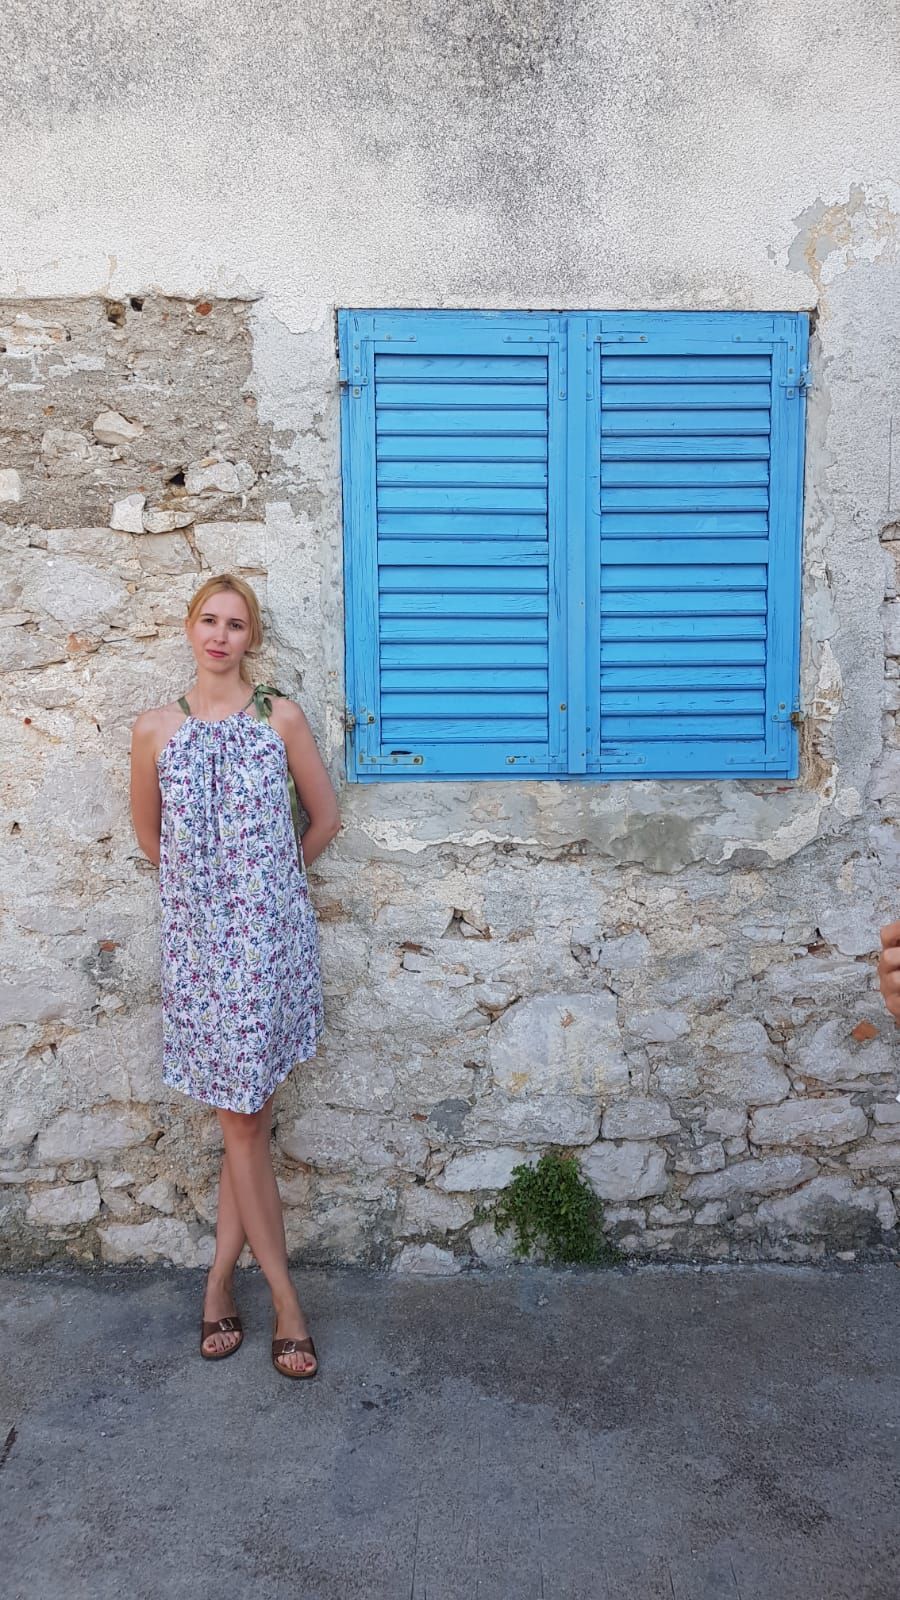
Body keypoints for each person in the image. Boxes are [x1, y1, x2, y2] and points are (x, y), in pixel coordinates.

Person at [129, 573, 341, 1378]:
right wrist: (208, 904)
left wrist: (271, 888)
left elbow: (325, 818)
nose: (221, 636)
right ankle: (283, 1298)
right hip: (202, 958)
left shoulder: (278, 717)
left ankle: (220, 1281)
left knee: (245, 1121)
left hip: (269, 951)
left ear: (253, 637)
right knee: (243, 1122)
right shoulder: (155, 729)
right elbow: (152, 841)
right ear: (190, 628)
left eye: (237, 624)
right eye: (209, 621)